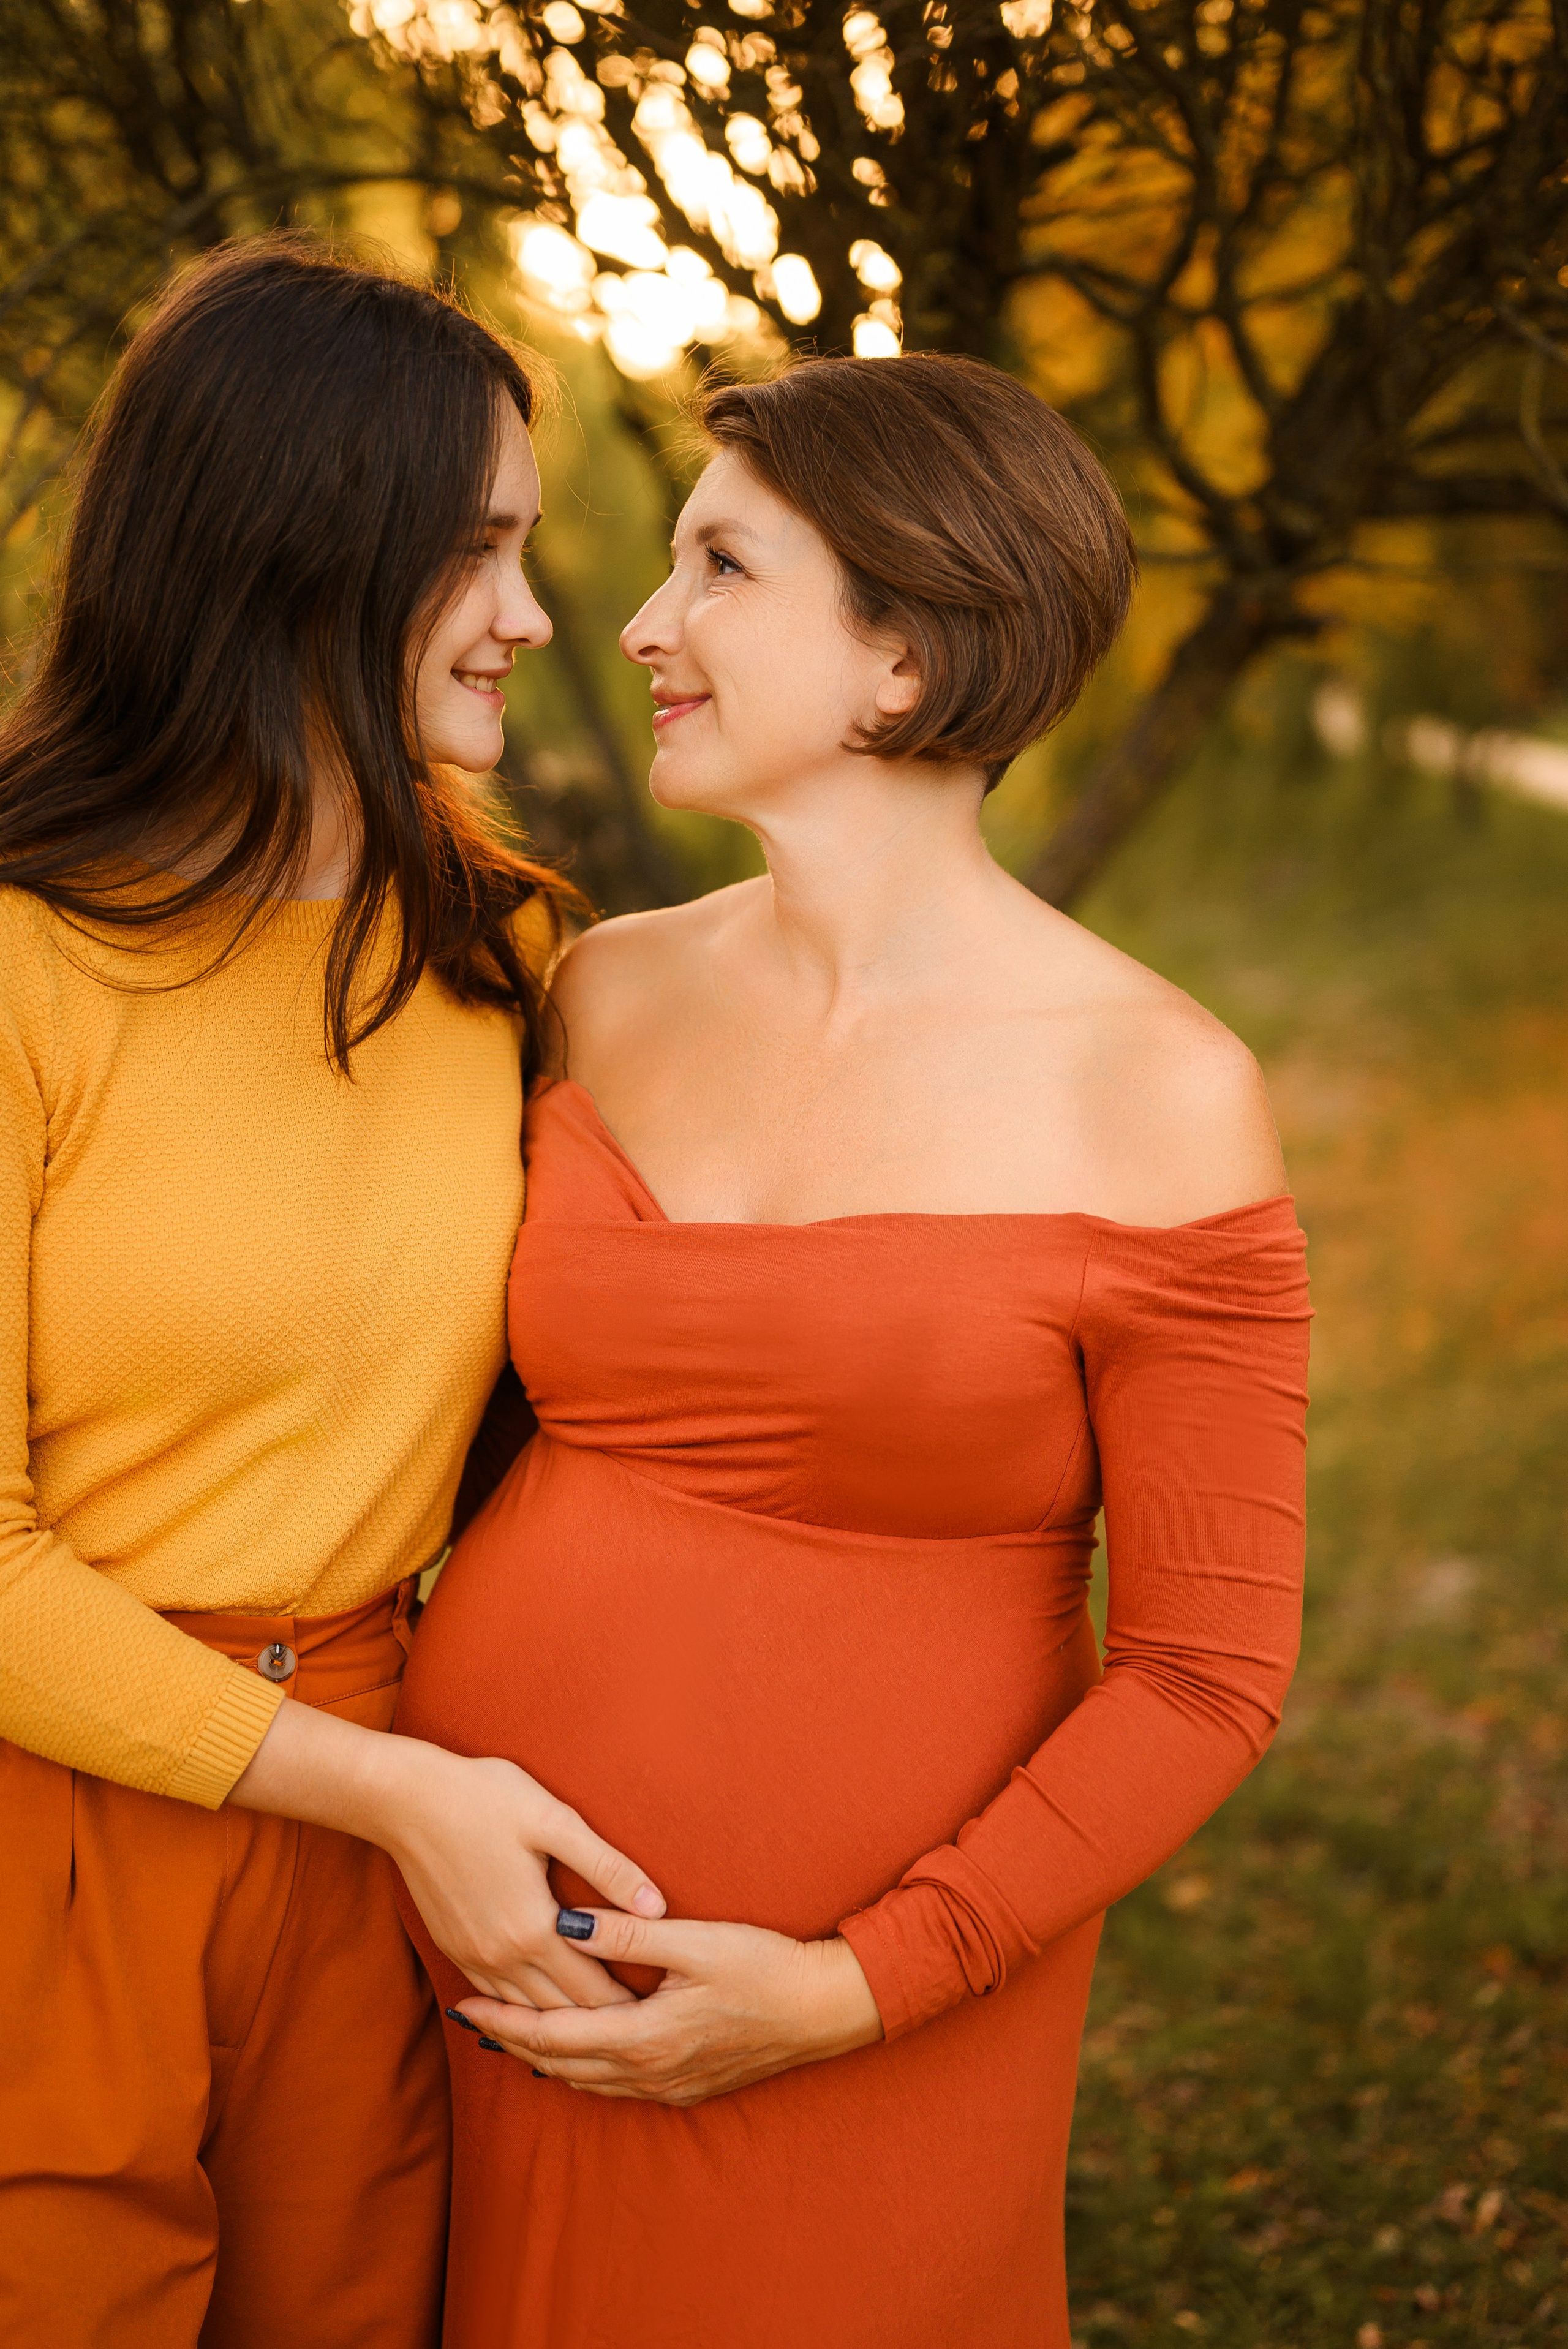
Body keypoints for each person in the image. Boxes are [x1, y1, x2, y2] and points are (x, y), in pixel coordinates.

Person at [396, 352, 1313, 2349]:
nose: (638, 625)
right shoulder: (598, 989)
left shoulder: (1157, 1089)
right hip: (478, 1939)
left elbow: (1209, 1671)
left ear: (903, 657)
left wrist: (862, 1980)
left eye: (719, 566)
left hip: (879, 2003)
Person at [0, 237, 665, 2349]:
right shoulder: (25, 956)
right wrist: (385, 1792)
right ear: (300, 543)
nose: (535, 617)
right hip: (62, 1803)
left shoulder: (507, 956)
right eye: (477, 551)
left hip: (401, 1801)